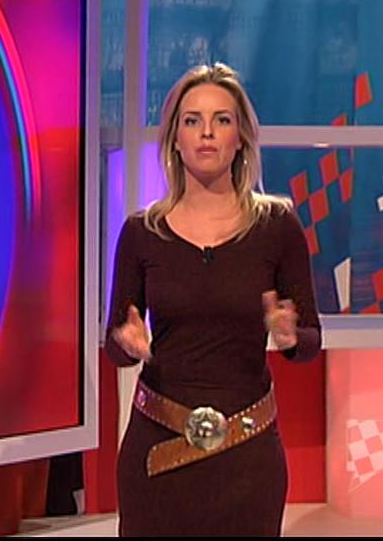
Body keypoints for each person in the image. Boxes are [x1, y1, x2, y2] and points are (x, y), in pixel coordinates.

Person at [104, 62, 321, 537]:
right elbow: (115, 347)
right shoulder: (142, 233)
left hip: (247, 456)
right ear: (174, 140)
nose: (207, 132)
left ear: (240, 138)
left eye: (222, 120)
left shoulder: (277, 226)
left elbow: (310, 341)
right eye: (192, 120)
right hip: (157, 451)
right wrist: (127, 342)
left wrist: (289, 337)